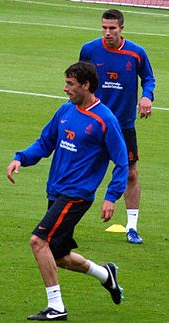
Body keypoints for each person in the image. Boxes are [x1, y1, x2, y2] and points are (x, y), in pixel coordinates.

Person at [7, 61, 128, 321]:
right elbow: (45, 142)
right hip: (56, 190)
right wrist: (21, 158)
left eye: (70, 84)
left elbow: (121, 161)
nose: (65, 89)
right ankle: (106, 274)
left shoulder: (105, 119)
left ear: (86, 85)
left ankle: (56, 307)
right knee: (59, 256)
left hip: (77, 194)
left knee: (38, 241)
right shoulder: (65, 111)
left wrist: (111, 196)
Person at [79, 9, 155, 244]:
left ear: (122, 28)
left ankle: (132, 227)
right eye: (104, 27)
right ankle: (64, 220)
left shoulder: (136, 53)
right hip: (94, 123)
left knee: (131, 173)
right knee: (80, 169)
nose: (107, 32)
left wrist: (147, 97)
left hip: (123, 125)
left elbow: (149, 78)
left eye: (112, 28)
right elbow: (80, 79)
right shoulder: (90, 49)